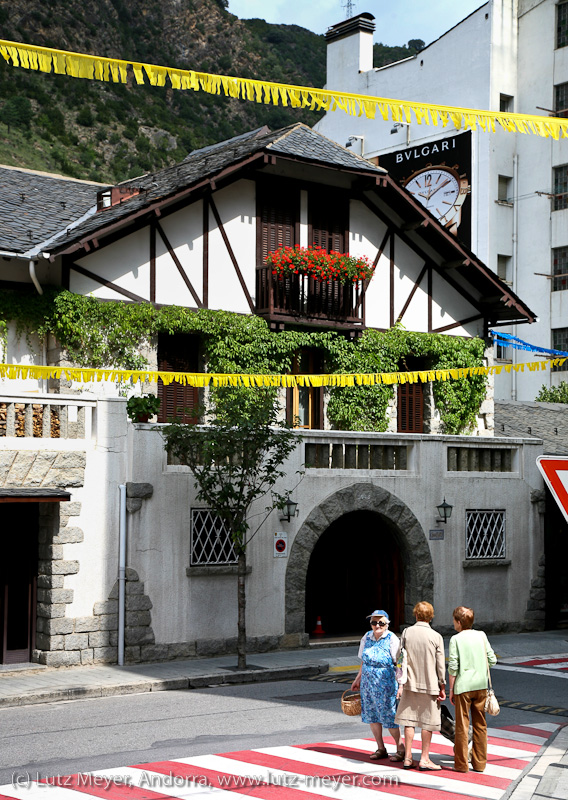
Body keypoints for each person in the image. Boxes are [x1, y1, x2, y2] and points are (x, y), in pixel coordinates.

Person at [395, 601, 446, 770]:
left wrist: (400, 681)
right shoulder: (436, 636)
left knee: (409, 721)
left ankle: (408, 757)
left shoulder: (407, 632)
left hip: (409, 683)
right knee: (427, 723)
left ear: (416, 615)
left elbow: (399, 658)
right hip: (430, 684)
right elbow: (440, 665)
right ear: (431, 617)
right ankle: (424, 758)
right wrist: (442, 686)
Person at [351, 609, 405, 762]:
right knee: (372, 715)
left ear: (387, 624)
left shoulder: (392, 639)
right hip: (368, 683)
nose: (377, 626)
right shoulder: (366, 637)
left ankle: (400, 748)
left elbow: (399, 663)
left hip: (386, 683)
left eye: (381, 623)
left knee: (389, 715)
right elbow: (364, 661)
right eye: (374, 623)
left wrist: (400, 685)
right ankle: (380, 748)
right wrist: (358, 679)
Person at [448, 606, 497, 773]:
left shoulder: (456, 639)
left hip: (464, 687)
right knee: (480, 725)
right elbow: (492, 660)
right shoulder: (481, 635)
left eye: (454, 621)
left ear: (459, 622)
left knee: (462, 725)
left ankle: (461, 765)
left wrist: (451, 688)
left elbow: (453, 667)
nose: (453, 623)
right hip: (481, 685)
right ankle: (480, 763)